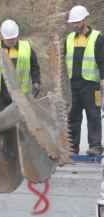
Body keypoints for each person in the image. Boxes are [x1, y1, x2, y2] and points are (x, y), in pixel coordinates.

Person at [0, 19, 41, 114]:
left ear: (17, 35)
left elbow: (34, 67)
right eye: (8, 39)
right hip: (0, 97)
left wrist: (36, 83)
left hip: (21, 95)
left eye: (13, 38)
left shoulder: (26, 48)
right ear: (2, 37)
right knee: (0, 125)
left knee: (20, 125)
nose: (11, 41)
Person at [65, 5, 104, 156]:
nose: (75, 25)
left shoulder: (96, 38)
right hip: (73, 85)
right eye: (73, 22)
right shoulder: (69, 39)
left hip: (91, 84)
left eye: (78, 22)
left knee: (93, 115)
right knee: (73, 117)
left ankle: (95, 146)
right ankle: (72, 147)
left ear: (85, 20)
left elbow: (102, 61)